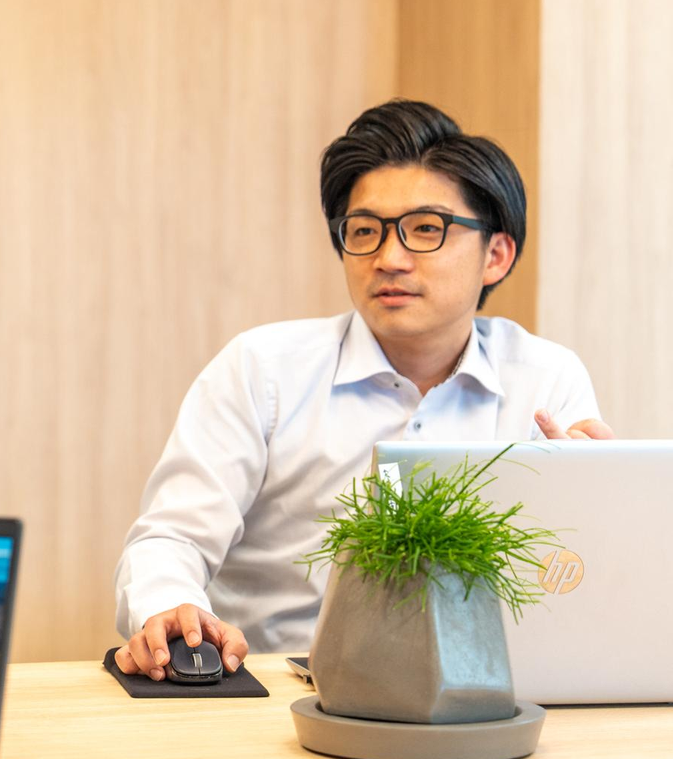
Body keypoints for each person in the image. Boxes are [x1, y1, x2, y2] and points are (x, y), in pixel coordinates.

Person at [113, 100, 612, 680]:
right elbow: (172, 537)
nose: (389, 258)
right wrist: (172, 607)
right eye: (365, 231)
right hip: (279, 695)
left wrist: (595, 513)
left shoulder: (547, 379)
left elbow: (572, 578)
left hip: (486, 694)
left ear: (495, 256)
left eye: (426, 230)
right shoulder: (264, 370)